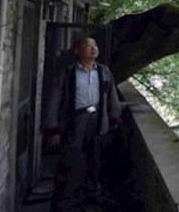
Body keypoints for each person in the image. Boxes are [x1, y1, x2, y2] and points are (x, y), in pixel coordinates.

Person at [44, 37, 122, 211]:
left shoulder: (104, 71)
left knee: (94, 157)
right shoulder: (68, 73)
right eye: (88, 46)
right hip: (75, 120)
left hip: (97, 119)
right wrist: (52, 128)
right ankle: (65, 200)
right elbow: (54, 100)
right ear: (77, 51)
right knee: (71, 158)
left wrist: (115, 117)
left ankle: (92, 194)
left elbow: (112, 96)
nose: (93, 48)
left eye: (95, 45)